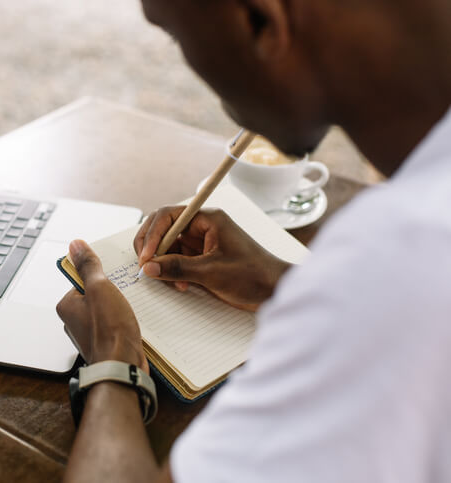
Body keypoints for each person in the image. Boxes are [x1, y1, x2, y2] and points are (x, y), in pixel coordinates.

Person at [55, 0, 451, 481]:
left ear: (258, 20)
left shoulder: (403, 256)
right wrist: (288, 283)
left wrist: (113, 360)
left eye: (176, 37)